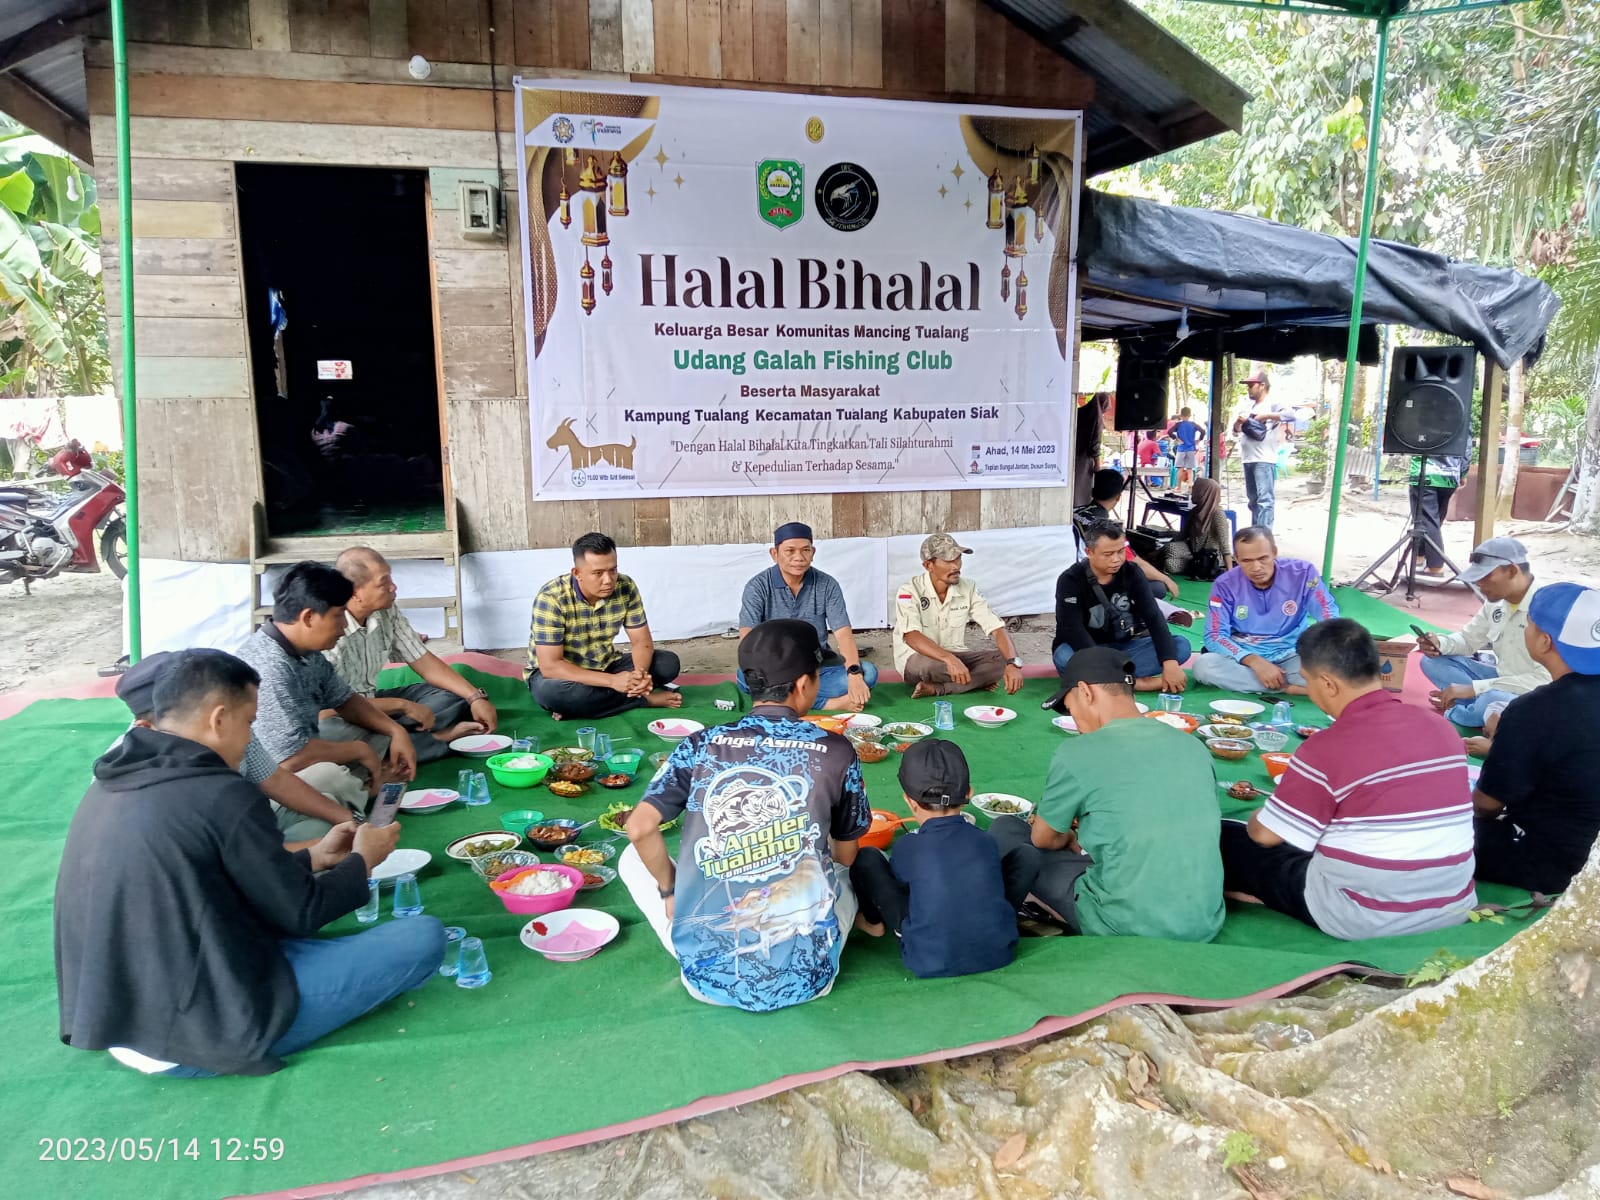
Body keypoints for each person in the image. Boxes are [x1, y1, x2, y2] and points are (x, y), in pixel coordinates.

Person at [55, 649, 445, 1078]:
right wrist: (362, 860)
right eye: (248, 722)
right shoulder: (222, 792)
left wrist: (315, 857)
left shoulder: (114, 779)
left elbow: (212, 886)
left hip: (123, 1016)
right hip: (199, 1027)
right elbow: (301, 913)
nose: (251, 737)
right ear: (218, 719)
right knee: (420, 937)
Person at [619, 619, 869, 1011]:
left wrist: (670, 892)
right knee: (841, 870)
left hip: (704, 979)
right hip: (811, 979)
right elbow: (846, 855)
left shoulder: (699, 744)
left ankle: (682, 911)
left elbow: (639, 827)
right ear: (804, 684)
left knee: (631, 856)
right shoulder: (836, 751)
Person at [1220, 619, 1477, 939]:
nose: (1309, 688)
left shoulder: (1327, 748)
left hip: (1362, 915)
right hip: (1453, 906)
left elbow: (1265, 836)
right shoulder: (1442, 728)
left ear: (1328, 683)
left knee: (1228, 837)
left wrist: (1266, 812)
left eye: (1308, 679)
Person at [990, 647, 1224, 940]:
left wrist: (1068, 837)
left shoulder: (1077, 752)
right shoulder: (1193, 746)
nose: (1074, 720)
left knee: (1008, 831)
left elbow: (1043, 839)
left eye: (1070, 708)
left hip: (1121, 923)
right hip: (1203, 920)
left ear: (1085, 692)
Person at [113, 651, 352, 846]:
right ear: (146, 727)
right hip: (230, 856)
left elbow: (275, 780)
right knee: (321, 832)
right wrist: (321, 850)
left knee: (331, 789)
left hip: (246, 830)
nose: (248, 735)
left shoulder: (228, 729)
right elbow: (236, 862)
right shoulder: (162, 788)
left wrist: (349, 824)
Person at [238, 562, 417, 813]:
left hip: (304, 747)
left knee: (376, 728)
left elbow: (346, 701)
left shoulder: (306, 652)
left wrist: (396, 731)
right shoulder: (270, 668)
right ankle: (365, 790)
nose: (344, 626)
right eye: (338, 615)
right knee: (331, 776)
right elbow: (288, 760)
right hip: (269, 778)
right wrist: (358, 751)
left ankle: (363, 778)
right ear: (309, 617)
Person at [848, 739, 1019, 978]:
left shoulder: (908, 846)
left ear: (908, 800)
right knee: (1025, 856)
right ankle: (994, 923)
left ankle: (874, 923)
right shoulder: (986, 841)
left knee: (867, 857)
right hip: (999, 954)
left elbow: (903, 888)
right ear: (969, 793)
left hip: (927, 960)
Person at [1472, 583, 1600, 894]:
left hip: (1554, 861)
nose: (1525, 629)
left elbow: (1486, 805)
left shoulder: (1535, 711)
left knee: (1427, 828)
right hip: (1591, 848)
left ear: (1545, 642)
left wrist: (1504, 748)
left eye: (1529, 622)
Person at [324, 547, 498, 761]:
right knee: (329, 731)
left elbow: (424, 662)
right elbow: (327, 711)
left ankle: (399, 740)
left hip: (372, 702)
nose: (393, 587)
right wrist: (402, 706)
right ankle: (436, 740)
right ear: (355, 593)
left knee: (451, 694)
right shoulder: (328, 631)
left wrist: (475, 697)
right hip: (341, 713)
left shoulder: (387, 610)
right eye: (383, 583)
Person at [526, 531, 683, 720]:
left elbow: (642, 642)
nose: (608, 580)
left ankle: (585, 706)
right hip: (561, 676)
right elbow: (551, 666)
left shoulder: (626, 586)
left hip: (605, 664)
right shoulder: (551, 598)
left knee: (667, 664)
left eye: (613, 570)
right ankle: (644, 701)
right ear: (577, 574)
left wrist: (638, 675)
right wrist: (613, 681)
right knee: (551, 693)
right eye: (598, 573)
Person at [737, 521, 876, 712]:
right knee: (745, 676)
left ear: (813, 552)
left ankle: (781, 698)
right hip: (774, 667)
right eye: (790, 551)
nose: (799, 557)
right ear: (774, 554)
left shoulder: (827, 585)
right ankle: (829, 703)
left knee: (868, 673)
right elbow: (748, 638)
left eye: (805, 550)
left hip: (815, 667)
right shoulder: (757, 587)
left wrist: (854, 674)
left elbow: (843, 634)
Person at [1417, 536, 1549, 728]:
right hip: (1500, 680)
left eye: (1485, 576)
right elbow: (1468, 640)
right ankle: (1484, 712)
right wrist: (1440, 644)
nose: (1479, 583)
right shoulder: (1495, 604)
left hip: (1536, 692)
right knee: (1431, 661)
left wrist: (1474, 689)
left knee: (1493, 698)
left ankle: (1460, 712)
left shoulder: (1548, 607)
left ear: (1512, 570)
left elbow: (1545, 681)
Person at [1049, 518, 1188, 698]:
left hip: (1124, 647)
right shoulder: (1070, 579)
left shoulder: (1132, 572)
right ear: (1089, 552)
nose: (1116, 559)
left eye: (1121, 551)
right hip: (1086, 648)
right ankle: (1135, 683)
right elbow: (1072, 629)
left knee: (1180, 646)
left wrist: (1169, 663)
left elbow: (1153, 617)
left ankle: (1105, 680)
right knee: (1064, 657)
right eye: (1108, 554)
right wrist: (1102, 662)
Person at [1193, 527, 1339, 695]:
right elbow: (1215, 635)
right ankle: (1288, 688)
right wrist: (1254, 662)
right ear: (1237, 559)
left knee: (1332, 673)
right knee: (1203, 667)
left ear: (1274, 553)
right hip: (1244, 658)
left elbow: (1327, 612)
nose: (1256, 567)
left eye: (1263, 558)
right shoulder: (1224, 585)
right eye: (1247, 561)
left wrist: (1332, 644)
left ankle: (1272, 684)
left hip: (1293, 653)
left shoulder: (1303, 573)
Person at [892, 533, 1026, 698]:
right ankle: (974, 681)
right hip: (919, 660)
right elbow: (911, 636)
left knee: (1001, 660)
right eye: (948, 561)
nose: (956, 566)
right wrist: (949, 659)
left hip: (956, 657)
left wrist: (1013, 663)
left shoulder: (968, 587)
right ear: (928, 565)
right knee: (930, 667)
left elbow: (996, 628)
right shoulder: (909, 590)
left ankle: (939, 688)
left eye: (958, 558)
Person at [1072, 467, 1194, 626]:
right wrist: (1166, 579)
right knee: (1159, 587)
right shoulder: (1106, 527)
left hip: (1075, 574)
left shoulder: (1074, 512)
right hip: (1093, 582)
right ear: (1118, 497)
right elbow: (1133, 562)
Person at [1152, 476, 1232, 580]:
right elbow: (1182, 536)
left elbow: (1225, 546)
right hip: (1192, 553)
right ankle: (1195, 567)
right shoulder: (1195, 511)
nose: (1192, 492)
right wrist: (1157, 552)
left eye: (1196, 490)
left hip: (1210, 558)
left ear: (1204, 493)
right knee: (1169, 558)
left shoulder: (1218, 515)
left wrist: (1231, 574)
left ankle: (1201, 569)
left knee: (1170, 561)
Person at [1232, 370, 1281, 529]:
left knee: (1265, 500)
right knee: (1253, 500)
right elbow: (1236, 431)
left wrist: (1266, 415)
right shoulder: (1249, 406)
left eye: (1251, 386)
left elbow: (1291, 415)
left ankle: (1264, 535)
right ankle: (1256, 533)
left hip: (1264, 460)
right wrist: (1239, 423)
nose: (1249, 389)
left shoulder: (1273, 403)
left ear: (1262, 385)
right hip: (1248, 458)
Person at [1408, 454, 1468, 577]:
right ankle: (1420, 555)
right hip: (1450, 475)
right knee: (1435, 520)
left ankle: (1435, 566)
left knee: (1427, 521)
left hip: (1425, 472)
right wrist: (1463, 473)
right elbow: (1466, 448)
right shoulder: (1462, 432)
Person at [1170, 406, 1206, 493]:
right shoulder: (1193, 424)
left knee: (1180, 469)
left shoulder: (1178, 424)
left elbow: (1169, 432)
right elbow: (1203, 431)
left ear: (1181, 415)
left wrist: (1176, 439)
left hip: (1181, 448)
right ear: (1189, 415)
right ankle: (1190, 487)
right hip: (1191, 448)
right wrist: (1198, 440)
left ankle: (1178, 487)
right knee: (1190, 469)